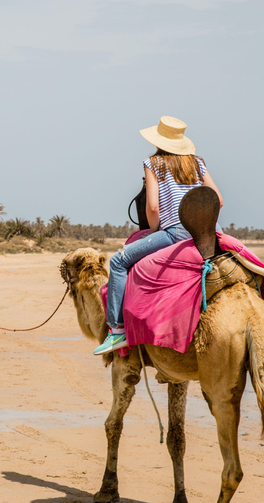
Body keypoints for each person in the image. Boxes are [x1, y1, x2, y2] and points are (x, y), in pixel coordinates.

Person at [93, 116, 223, 355]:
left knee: (119, 261)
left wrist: (155, 233)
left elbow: (152, 207)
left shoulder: (153, 163)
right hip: (209, 232)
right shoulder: (197, 163)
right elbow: (219, 200)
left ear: (158, 140)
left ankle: (117, 330)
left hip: (175, 232)